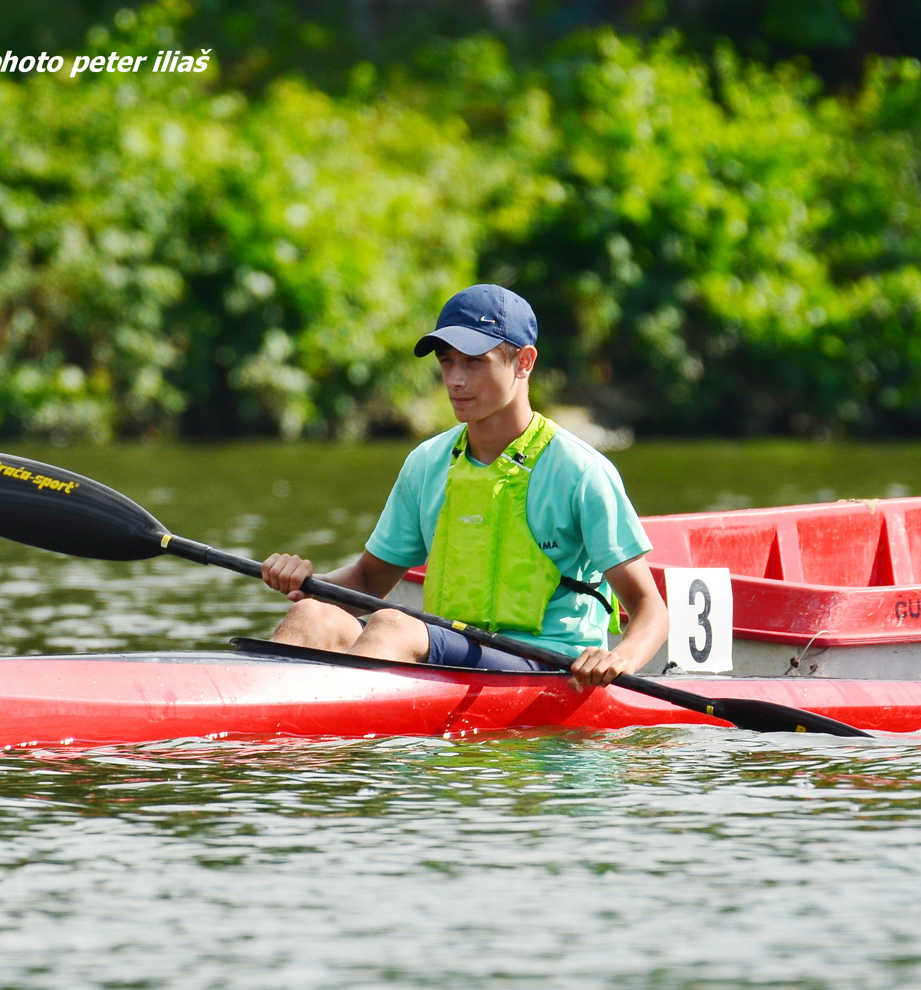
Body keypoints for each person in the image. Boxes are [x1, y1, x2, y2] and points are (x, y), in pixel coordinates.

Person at [260, 283, 669, 691]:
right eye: (446, 361)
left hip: (545, 664)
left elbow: (650, 609)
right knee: (313, 615)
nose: (454, 379)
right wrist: (306, 582)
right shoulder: (427, 463)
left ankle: (322, 738)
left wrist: (620, 659)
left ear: (524, 362)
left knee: (393, 624)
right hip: (451, 648)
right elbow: (369, 580)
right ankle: (271, 745)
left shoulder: (580, 470)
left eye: (474, 361)